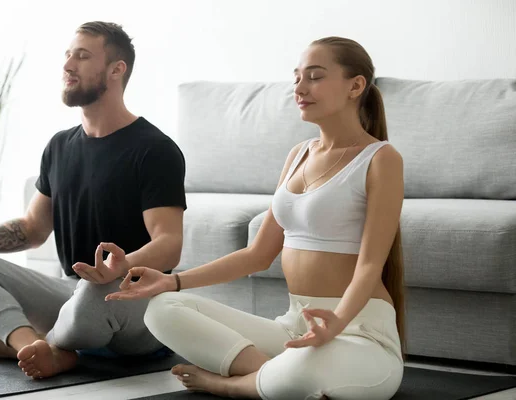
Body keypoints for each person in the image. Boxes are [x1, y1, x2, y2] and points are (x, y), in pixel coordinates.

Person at [108, 36, 405, 400]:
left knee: (303, 371)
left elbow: (370, 265)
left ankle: (233, 384)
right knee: (161, 309)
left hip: (359, 333)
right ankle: (271, 377)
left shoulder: (380, 159)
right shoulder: (299, 154)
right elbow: (257, 255)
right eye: (296, 77)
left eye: (314, 76)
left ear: (355, 86)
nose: (299, 87)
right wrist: (172, 282)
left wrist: (337, 323)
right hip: (294, 326)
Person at [0, 21, 187, 379]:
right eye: (67, 55)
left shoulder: (155, 149)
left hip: (136, 303)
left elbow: (169, 244)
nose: (68, 65)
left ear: (116, 70)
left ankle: (52, 346)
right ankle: (31, 346)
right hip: (73, 297)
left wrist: (118, 268)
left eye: (83, 56)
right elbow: (32, 229)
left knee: (94, 290)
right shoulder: (60, 146)